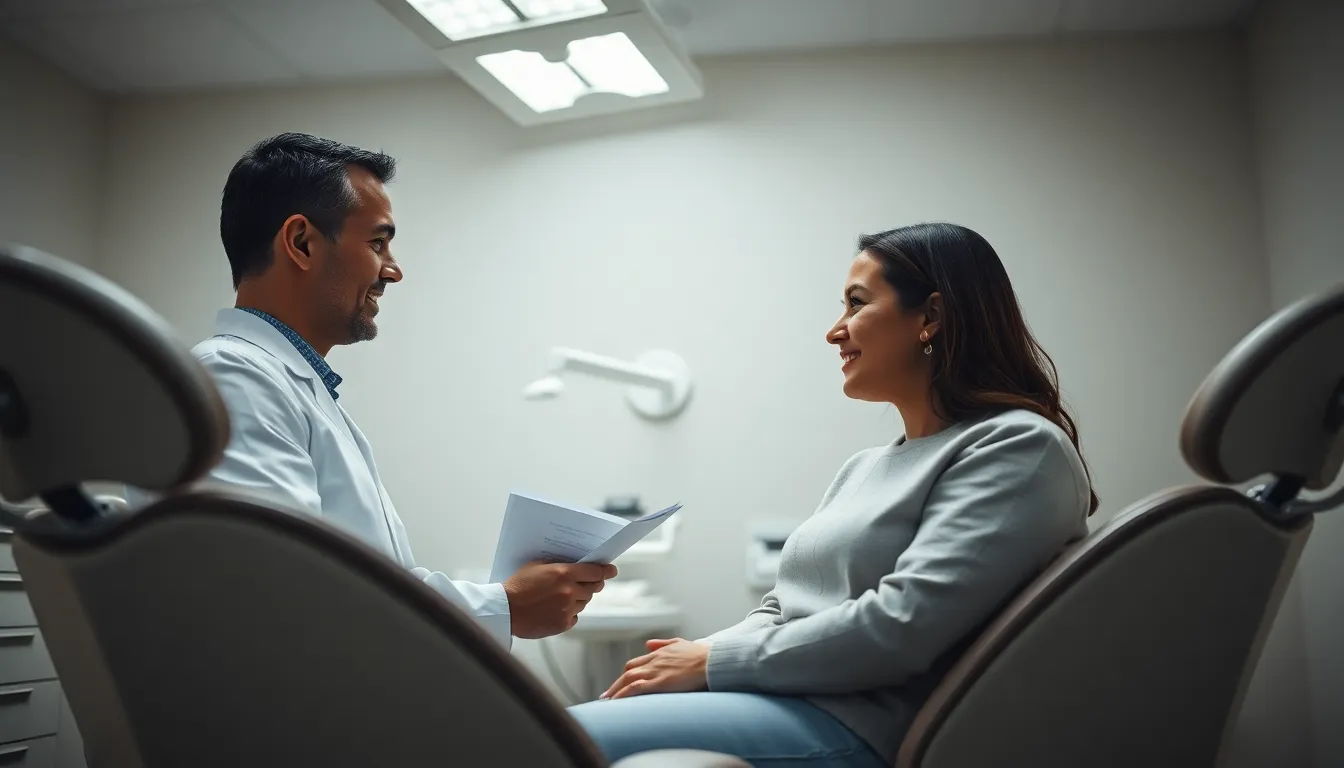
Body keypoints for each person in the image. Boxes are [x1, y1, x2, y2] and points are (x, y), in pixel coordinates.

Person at [567, 223, 1097, 767]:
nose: (834, 331)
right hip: (784, 699)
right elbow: (781, 605)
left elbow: (903, 624)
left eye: (856, 304)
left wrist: (711, 661)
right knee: (546, 723)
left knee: (550, 739)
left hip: (864, 724)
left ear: (931, 317)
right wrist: (694, 660)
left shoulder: (1017, 447)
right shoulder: (863, 467)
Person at [128, 132, 614, 647]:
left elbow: (362, 580)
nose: (394, 270)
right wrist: (502, 607)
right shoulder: (233, 381)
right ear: (302, 243)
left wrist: (505, 604)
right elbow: (277, 595)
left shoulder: (287, 387)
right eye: (377, 243)